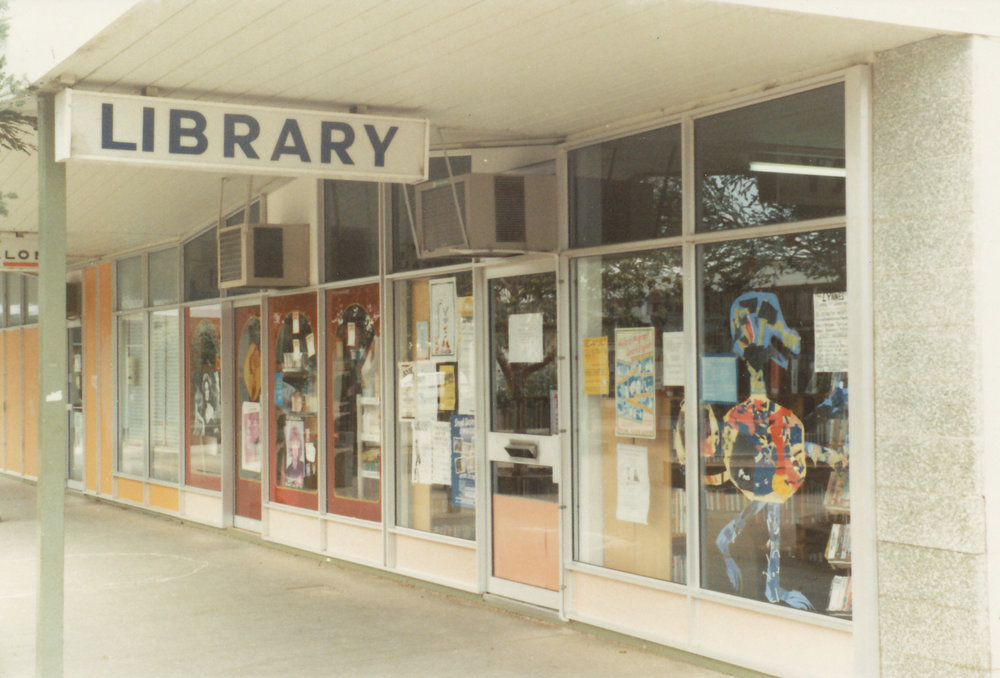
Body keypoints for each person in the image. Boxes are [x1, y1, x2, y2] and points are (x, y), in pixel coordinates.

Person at [283, 423, 305, 488]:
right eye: (293, 444)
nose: (295, 449)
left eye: (297, 444)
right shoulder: (287, 469)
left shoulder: (303, 467)